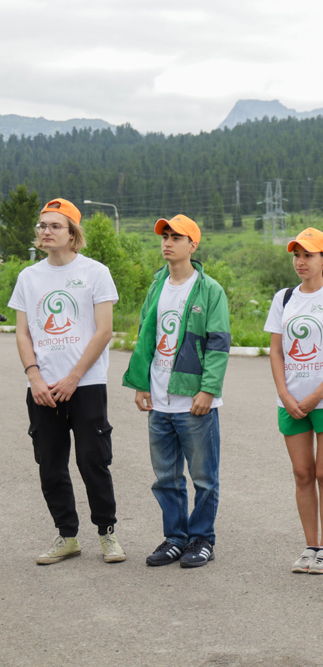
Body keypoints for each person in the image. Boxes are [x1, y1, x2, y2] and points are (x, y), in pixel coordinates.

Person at [9, 198, 125, 565]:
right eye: (42, 226)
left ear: (73, 234)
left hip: (85, 385)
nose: (45, 231)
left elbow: (104, 331)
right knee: (50, 463)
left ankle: (107, 533)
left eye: (54, 226)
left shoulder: (95, 272)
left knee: (93, 461)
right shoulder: (29, 277)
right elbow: (23, 333)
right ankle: (67, 536)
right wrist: (34, 376)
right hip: (42, 388)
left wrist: (74, 377)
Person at [123, 215, 231, 568]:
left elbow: (218, 344)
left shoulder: (209, 290)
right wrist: (140, 383)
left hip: (194, 400)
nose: (167, 242)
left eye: (176, 237)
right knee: (166, 478)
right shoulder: (157, 286)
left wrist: (208, 390)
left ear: (192, 245)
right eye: (164, 236)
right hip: (159, 399)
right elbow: (146, 337)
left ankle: (202, 539)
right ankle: (175, 538)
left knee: (204, 478)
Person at [264, 228, 323, 574]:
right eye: (297, 255)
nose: (300, 261)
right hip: (290, 402)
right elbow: (276, 351)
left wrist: (317, 395)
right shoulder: (284, 298)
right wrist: (286, 395)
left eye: (308, 255)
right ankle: (310, 547)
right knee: (302, 474)